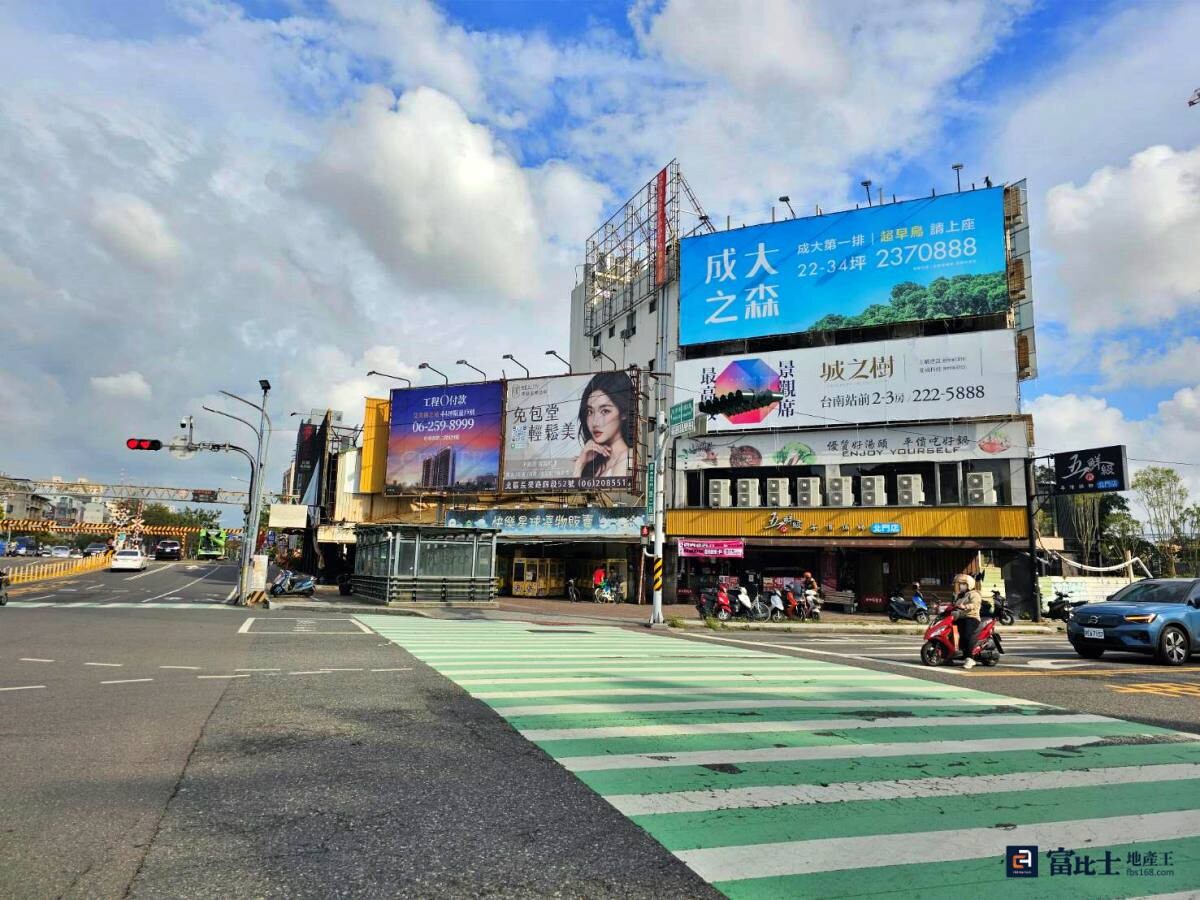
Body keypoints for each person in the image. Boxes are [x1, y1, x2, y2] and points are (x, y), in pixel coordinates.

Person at [573, 371, 634, 479]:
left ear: (623, 413)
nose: (595, 423)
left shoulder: (626, 458)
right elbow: (574, 496)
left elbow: (614, 496)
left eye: (605, 411)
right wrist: (580, 463)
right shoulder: (592, 460)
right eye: (590, 412)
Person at [952, 573, 983, 669]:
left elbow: (975, 605)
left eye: (962, 584)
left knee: (966, 636)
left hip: (972, 618)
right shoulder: (961, 596)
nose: (960, 586)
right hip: (961, 618)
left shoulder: (975, 594)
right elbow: (954, 605)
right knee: (950, 633)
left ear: (968, 584)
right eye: (959, 584)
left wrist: (965, 606)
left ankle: (970, 658)